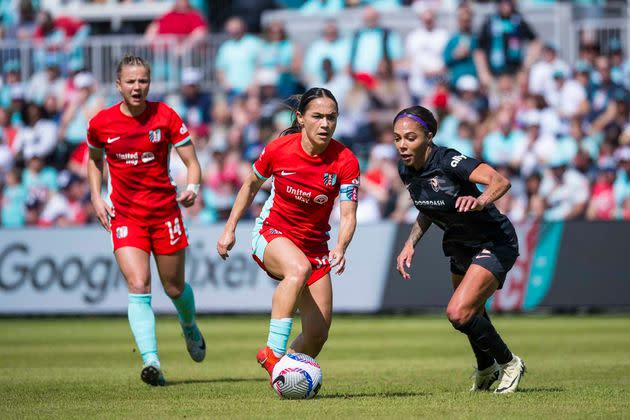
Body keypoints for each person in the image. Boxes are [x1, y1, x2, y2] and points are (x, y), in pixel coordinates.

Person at [216, 88, 360, 379]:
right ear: (301, 118)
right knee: (298, 269)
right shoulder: (279, 149)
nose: (325, 124)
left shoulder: (346, 161)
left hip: (315, 247)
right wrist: (229, 229)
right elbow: (250, 186)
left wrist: (341, 247)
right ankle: (273, 353)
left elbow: (348, 215)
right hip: (271, 233)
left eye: (331, 118)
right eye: (317, 116)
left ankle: (286, 375)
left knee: (318, 334)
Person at [86, 54, 205, 387]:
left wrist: (192, 187)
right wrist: (96, 197)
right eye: (131, 81)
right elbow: (94, 161)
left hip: (165, 213)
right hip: (125, 216)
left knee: (174, 287)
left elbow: (192, 162)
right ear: (118, 85)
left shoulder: (164, 116)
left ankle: (189, 325)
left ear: (149, 83)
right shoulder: (101, 123)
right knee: (138, 285)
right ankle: (151, 361)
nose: (137, 87)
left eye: (143, 81)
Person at [393, 105, 526, 394]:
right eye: (397, 138)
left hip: (493, 240)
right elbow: (428, 206)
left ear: (429, 137)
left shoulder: (449, 161)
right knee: (472, 313)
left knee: (458, 313)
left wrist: (480, 201)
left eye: (410, 138)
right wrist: (409, 243)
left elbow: (500, 181)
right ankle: (486, 367)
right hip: (459, 244)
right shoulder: (406, 169)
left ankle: (510, 363)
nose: (403, 145)